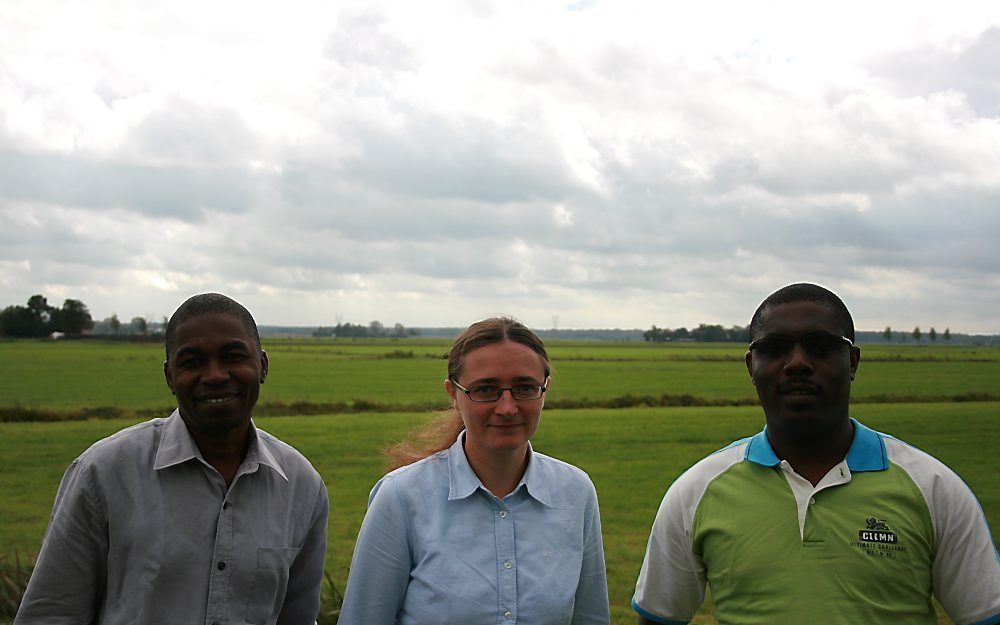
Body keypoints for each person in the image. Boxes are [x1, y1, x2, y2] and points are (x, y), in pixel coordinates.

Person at [633, 283, 1000, 625]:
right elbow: (659, 616)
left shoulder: (932, 487)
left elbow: (984, 613)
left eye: (820, 346)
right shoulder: (697, 490)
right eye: (774, 348)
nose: (797, 363)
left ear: (853, 362)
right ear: (751, 366)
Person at [15, 293, 329, 625]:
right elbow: (51, 614)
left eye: (232, 356)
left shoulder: (302, 487)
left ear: (262, 365)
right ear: (169, 377)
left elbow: (298, 616)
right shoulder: (103, 473)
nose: (214, 375)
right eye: (193, 362)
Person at [338, 317, 610, 625]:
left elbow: (591, 617)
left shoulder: (576, 492)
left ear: (545, 390)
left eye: (524, 387)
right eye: (485, 389)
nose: (507, 408)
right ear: (453, 394)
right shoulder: (401, 496)